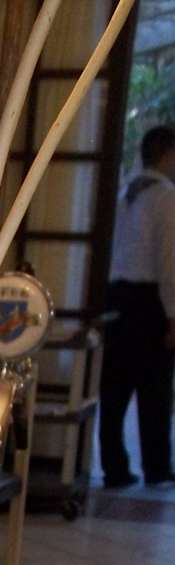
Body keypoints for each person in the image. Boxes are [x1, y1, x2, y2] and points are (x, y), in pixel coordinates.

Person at [99, 125, 175, 489]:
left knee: (115, 386)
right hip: (149, 300)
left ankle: (114, 467)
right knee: (155, 387)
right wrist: (173, 316)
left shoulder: (124, 191)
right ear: (167, 155)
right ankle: (156, 466)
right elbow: (169, 262)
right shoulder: (166, 197)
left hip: (117, 296)